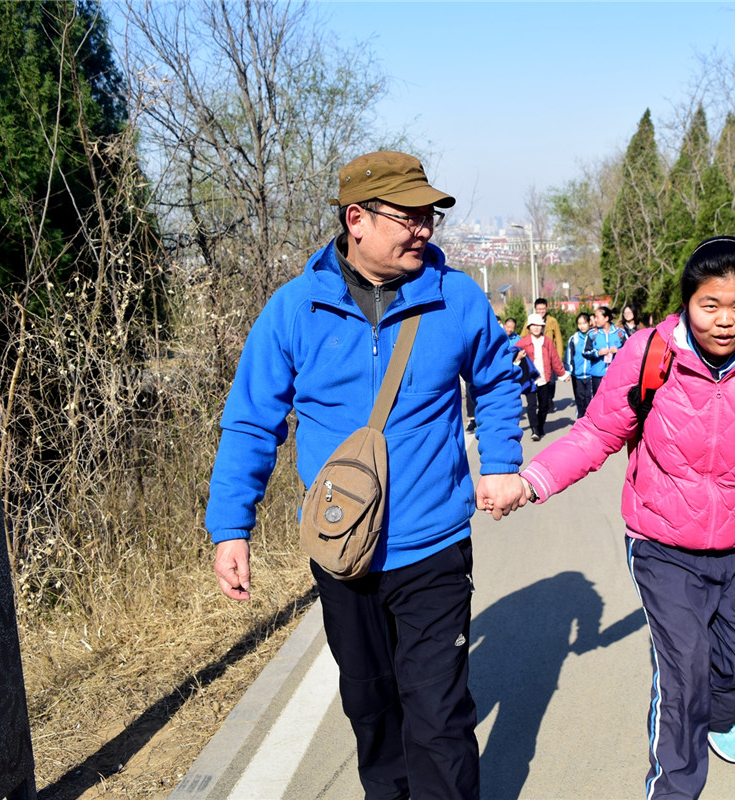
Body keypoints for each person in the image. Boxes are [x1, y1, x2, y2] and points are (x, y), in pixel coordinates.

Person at [206, 150, 529, 800]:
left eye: (428, 216)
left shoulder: (455, 298)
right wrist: (230, 526)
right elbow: (250, 422)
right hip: (341, 552)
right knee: (373, 711)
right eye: (409, 216)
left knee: (438, 718)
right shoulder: (296, 310)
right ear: (357, 219)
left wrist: (500, 463)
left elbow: (498, 378)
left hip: (433, 549)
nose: (424, 229)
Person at [515, 236, 735, 800]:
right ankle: (673, 788)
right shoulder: (651, 354)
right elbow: (598, 432)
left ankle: (719, 716)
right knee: (682, 674)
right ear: (687, 303)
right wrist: (535, 481)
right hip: (661, 544)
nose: (725, 321)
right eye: (710, 305)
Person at [515, 312, 569, 440]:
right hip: (530, 380)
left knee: (544, 405)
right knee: (531, 405)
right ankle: (534, 429)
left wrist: (562, 374)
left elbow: (554, 359)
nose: (536, 328)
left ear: (542, 327)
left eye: (539, 325)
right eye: (533, 325)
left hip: (544, 378)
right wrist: (517, 357)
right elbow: (511, 355)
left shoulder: (548, 342)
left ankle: (540, 425)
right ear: (528, 327)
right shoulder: (523, 342)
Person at [584, 305, 627, 397]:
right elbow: (585, 353)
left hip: (616, 376)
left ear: (606, 318)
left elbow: (630, 351)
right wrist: (598, 353)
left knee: (614, 401)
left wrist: (619, 351)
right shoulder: (592, 334)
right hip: (597, 376)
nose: (595, 320)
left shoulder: (620, 333)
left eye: (597, 317)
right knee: (597, 401)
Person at [565, 312, 595, 418]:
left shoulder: (594, 336)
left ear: (589, 323)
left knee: (590, 400)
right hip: (577, 376)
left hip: (591, 375)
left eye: (584, 323)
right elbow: (569, 356)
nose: (582, 326)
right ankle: (580, 422)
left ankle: (589, 423)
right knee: (580, 400)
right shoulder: (574, 339)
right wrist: (568, 371)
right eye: (579, 323)